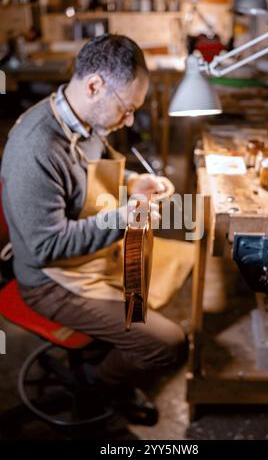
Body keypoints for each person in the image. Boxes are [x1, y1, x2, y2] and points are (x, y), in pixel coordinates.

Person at [1, 34, 187, 425]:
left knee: (170, 268)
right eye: (127, 108)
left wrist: (133, 184)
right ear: (94, 86)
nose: (130, 120)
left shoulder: (85, 122)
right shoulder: (37, 146)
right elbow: (45, 247)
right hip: (48, 280)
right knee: (169, 345)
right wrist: (125, 217)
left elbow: (88, 183)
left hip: (89, 256)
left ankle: (112, 349)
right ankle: (105, 385)